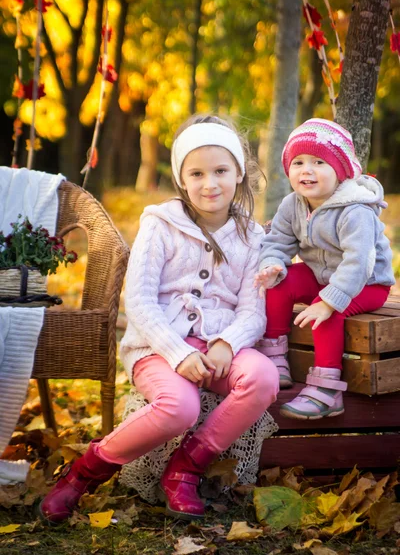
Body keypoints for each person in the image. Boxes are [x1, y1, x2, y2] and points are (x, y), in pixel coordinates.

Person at [39, 114, 279, 524]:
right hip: (158, 347)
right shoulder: (160, 223)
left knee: (262, 378)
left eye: (221, 171)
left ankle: (186, 467)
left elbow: (253, 310)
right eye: (197, 173)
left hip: (222, 348)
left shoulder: (253, 237)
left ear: (239, 173)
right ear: (182, 179)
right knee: (179, 407)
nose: (210, 183)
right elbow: (141, 301)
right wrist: (178, 351)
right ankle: (85, 473)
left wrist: (227, 343)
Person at [254, 118, 395, 420]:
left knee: (327, 309)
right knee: (282, 281)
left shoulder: (355, 210)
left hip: (367, 284)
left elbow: (359, 262)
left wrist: (330, 301)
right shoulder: (293, 204)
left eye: (319, 162)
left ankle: (328, 388)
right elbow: (278, 242)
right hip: (322, 275)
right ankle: (275, 358)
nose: (306, 170)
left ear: (341, 171)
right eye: (298, 162)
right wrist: (272, 265)